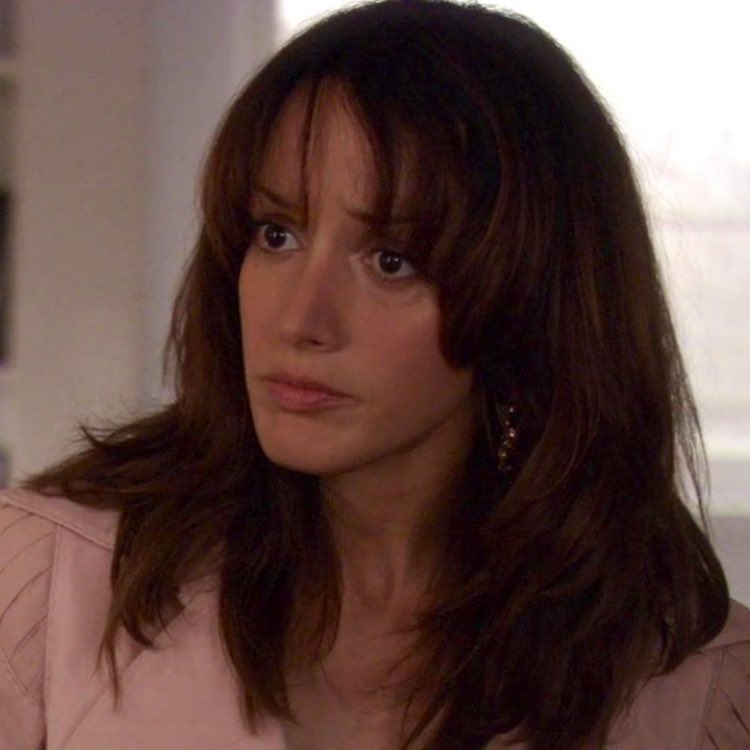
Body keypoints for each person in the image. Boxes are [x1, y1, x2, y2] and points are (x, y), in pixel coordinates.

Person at [1, 1, 748, 748]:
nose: (301, 318)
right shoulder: (46, 581)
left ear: (527, 302)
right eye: (277, 234)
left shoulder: (694, 691)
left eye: (391, 260)